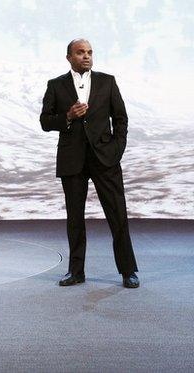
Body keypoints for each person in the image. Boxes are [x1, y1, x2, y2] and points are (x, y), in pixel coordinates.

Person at [40, 39, 139, 288]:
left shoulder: (107, 81)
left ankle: (128, 271)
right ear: (69, 57)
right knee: (75, 217)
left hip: (105, 158)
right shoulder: (56, 85)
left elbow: (121, 118)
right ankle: (76, 271)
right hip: (72, 159)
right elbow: (44, 121)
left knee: (117, 214)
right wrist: (68, 116)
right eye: (80, 52)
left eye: (90, 52)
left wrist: (117, 149)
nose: (86, 56)